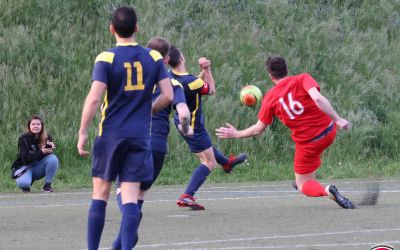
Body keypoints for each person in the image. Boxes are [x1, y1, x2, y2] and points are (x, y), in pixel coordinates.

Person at [77, 6, 173, 250]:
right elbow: (168, 95)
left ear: (112, 29)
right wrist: (149, 109)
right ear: (137, 28)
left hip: (110, 135)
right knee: (130, 200)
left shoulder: (106, 58)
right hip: (140, 137)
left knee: (100, 195)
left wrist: (83, 132)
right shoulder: (153, 57)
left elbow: (94, 99)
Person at [216, 56, 355, 209]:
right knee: (310, 168)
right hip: (329, 131)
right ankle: (312, 180)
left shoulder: (270, 98)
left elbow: (258, 129)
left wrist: (236, 133)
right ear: (286, 69)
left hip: (308, 143)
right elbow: (318, 98)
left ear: (271, 76)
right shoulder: (303, 78)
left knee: (302, 183)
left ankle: (326, 190)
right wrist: (338, 119)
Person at [111, 37, 192, 250]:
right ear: (166, 59)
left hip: (131, 140)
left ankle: (125, 237)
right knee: (139, 194)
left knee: (124, 192)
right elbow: (183, 114)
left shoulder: (134, 78)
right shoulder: (173, 82)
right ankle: (125, 238)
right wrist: (185, 129)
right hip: (156, 146)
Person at [168, 46, 248, 210]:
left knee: (207, 149)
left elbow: (193, 85)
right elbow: (211, 90)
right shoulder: (192, 81)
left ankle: (227, 163)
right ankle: (188, 195)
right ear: (182, 59)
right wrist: (207, 69)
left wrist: (202, 72)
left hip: (180, 122)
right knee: (209, 162)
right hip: (194, 126)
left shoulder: (171, 78)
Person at [11, 115, 59, 193]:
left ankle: (47, 185)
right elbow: (25, 159)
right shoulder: (24, 138)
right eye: (33, 124)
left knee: (53, 158)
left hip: (37, 167)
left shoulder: (47, 137)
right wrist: (42, 152)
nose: (35, 126)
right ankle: (27, 181)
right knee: (24, 184)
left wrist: (49, 150)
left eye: (38, 124)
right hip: (24, 166)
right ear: (29, 126)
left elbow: (47, 157)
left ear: (42, 126)